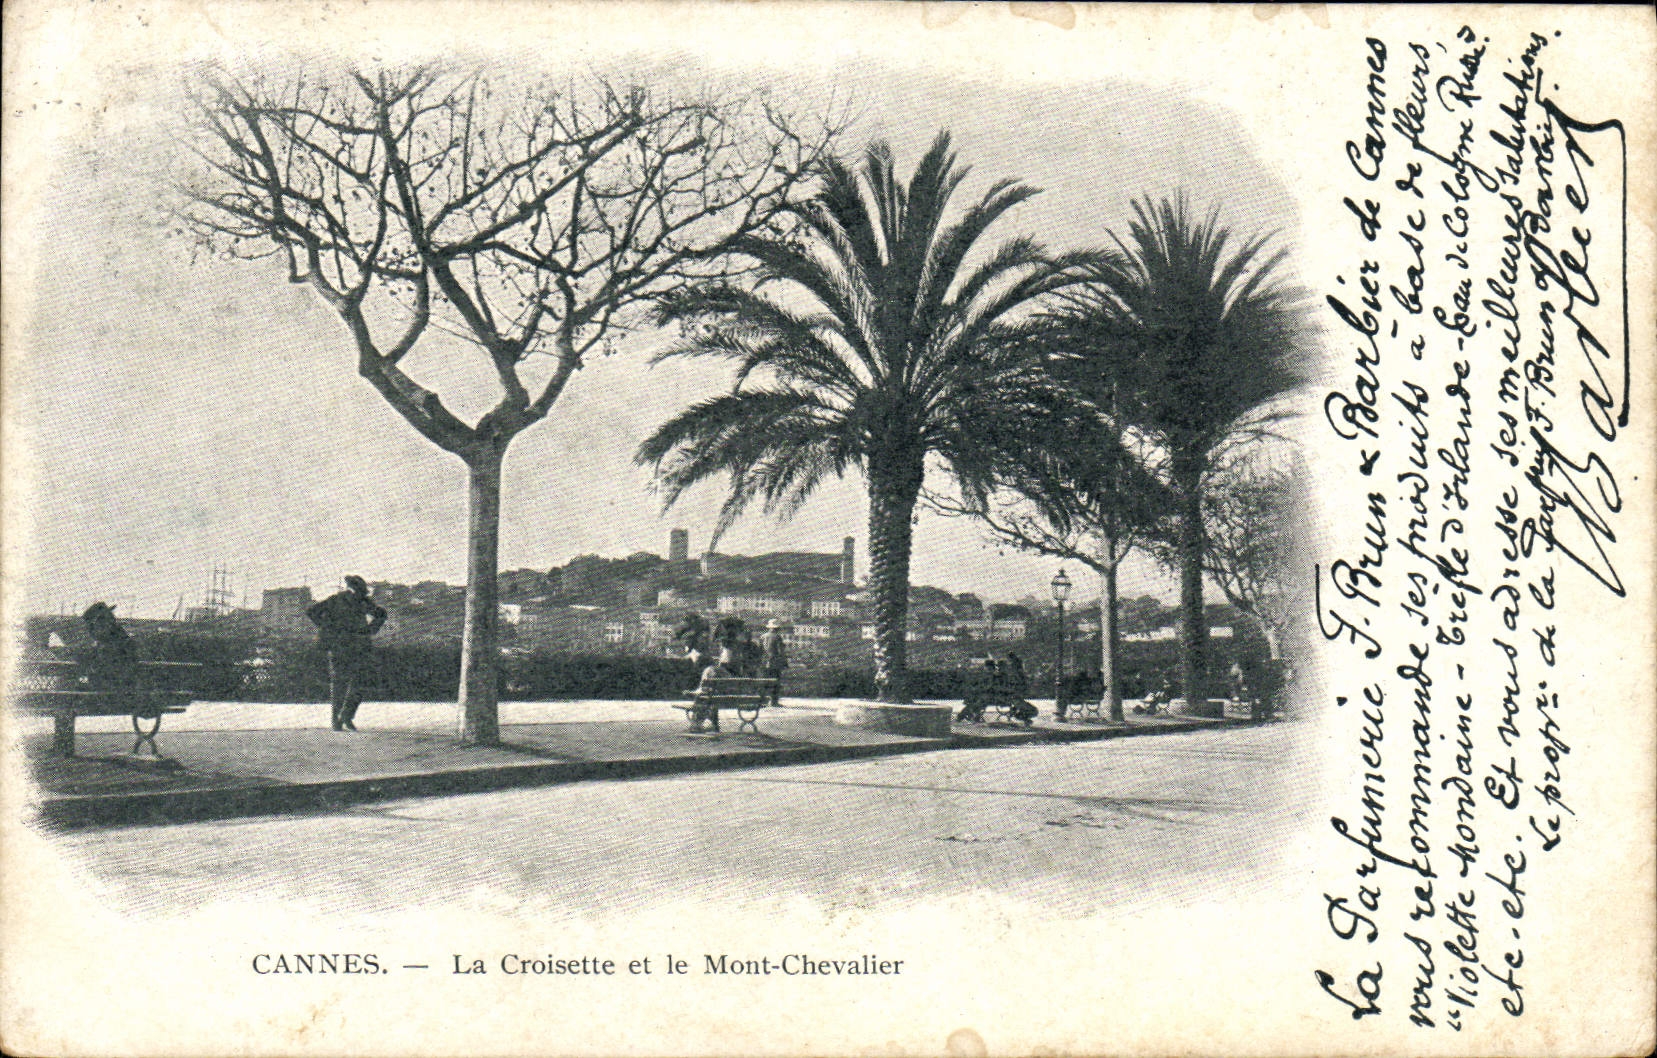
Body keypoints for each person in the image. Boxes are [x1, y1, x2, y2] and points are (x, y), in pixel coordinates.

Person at [306, 575, 387, 731]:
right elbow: (312, 611)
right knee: (345, 682)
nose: (362, 594)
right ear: (354, 590)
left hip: (350, 645)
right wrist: (329, 627)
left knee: (351, 682)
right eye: (361, 591)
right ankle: (341, 718)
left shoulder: (356, 601)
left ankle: (343, 717)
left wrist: (370, 629)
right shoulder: (341, 600)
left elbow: (381, 614)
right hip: (346, 646)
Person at [80, 601, 138, 690]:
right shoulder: (110, 640)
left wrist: (90, 678)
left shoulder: (118, 643)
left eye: (92, 627)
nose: (90, 631)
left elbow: (115, 675)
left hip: (114, 692)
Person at [690, 647, 737, 734]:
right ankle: (713, 725)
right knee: (711, 698)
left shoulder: (707, 671)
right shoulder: (722, 670)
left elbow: (703, 687)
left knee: (701, 699)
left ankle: (696, 724)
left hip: (712, 698)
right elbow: (731, 682)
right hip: (729, 699)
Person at [759, 618, 788, 707]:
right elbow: (780, 652)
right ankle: (773, 701)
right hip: (775, 663)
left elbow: (760, 650)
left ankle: (762, 700)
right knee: (775, 682)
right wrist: (784, 663)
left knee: (765, 681)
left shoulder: (762, 636)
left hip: (764, 663)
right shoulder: (777, 637)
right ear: (777, 628)